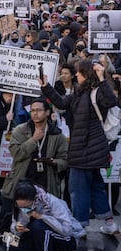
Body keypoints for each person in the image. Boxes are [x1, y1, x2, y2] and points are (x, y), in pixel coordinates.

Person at [39, 59, 119, 234]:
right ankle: (110, 222)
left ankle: (79, 226)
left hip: (86, 148)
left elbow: (112, 101)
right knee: (96, 186)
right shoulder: (79, 92)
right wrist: (46, 87)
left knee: (77, 188)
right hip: (89, 148)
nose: (76, 74)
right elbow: (61, 103)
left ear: (87, 74)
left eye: (79, 72)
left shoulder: (97, 92)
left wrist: (102, 78)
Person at [0, 98, 68, 234]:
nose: (35, 113)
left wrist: (53, 161)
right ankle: (7, 240)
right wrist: (33, 139)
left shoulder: (56, 134)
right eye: (32, 110)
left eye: (39, 110)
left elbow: (65, 160)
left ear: (47, 112)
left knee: (40, 219)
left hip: (46, 181)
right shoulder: (20, 130)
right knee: (11, 216)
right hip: (21, 178)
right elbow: (16, 153)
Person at [9, 180, 85, 251]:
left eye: (27, 207)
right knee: (8, 242)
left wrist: (43, 217)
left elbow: (67, 230)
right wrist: (16, 228)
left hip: (65, 239)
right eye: (21, 207)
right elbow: (15, 224)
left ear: (34, 199)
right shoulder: (20, 206)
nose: (24, 210)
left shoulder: (53, 202)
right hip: (40, 239)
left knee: (38, 225)